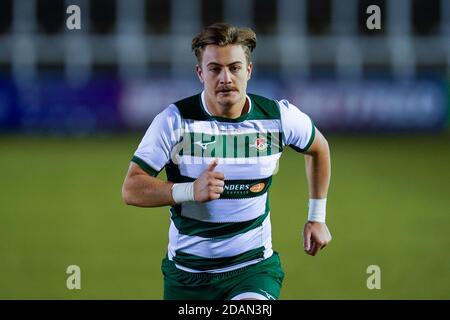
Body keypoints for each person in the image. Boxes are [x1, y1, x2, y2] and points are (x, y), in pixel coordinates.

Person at [122, 23, 331, 300]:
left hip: (253, 269)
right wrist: (188, 191)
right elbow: (132, 188)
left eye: (234, 68)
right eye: (214, 69)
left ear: (249, 71)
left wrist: (316, 217)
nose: (225, 78)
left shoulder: (278, 118)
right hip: (188, 275)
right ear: (200, 73)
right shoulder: (173, 121)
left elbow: (319, 148)